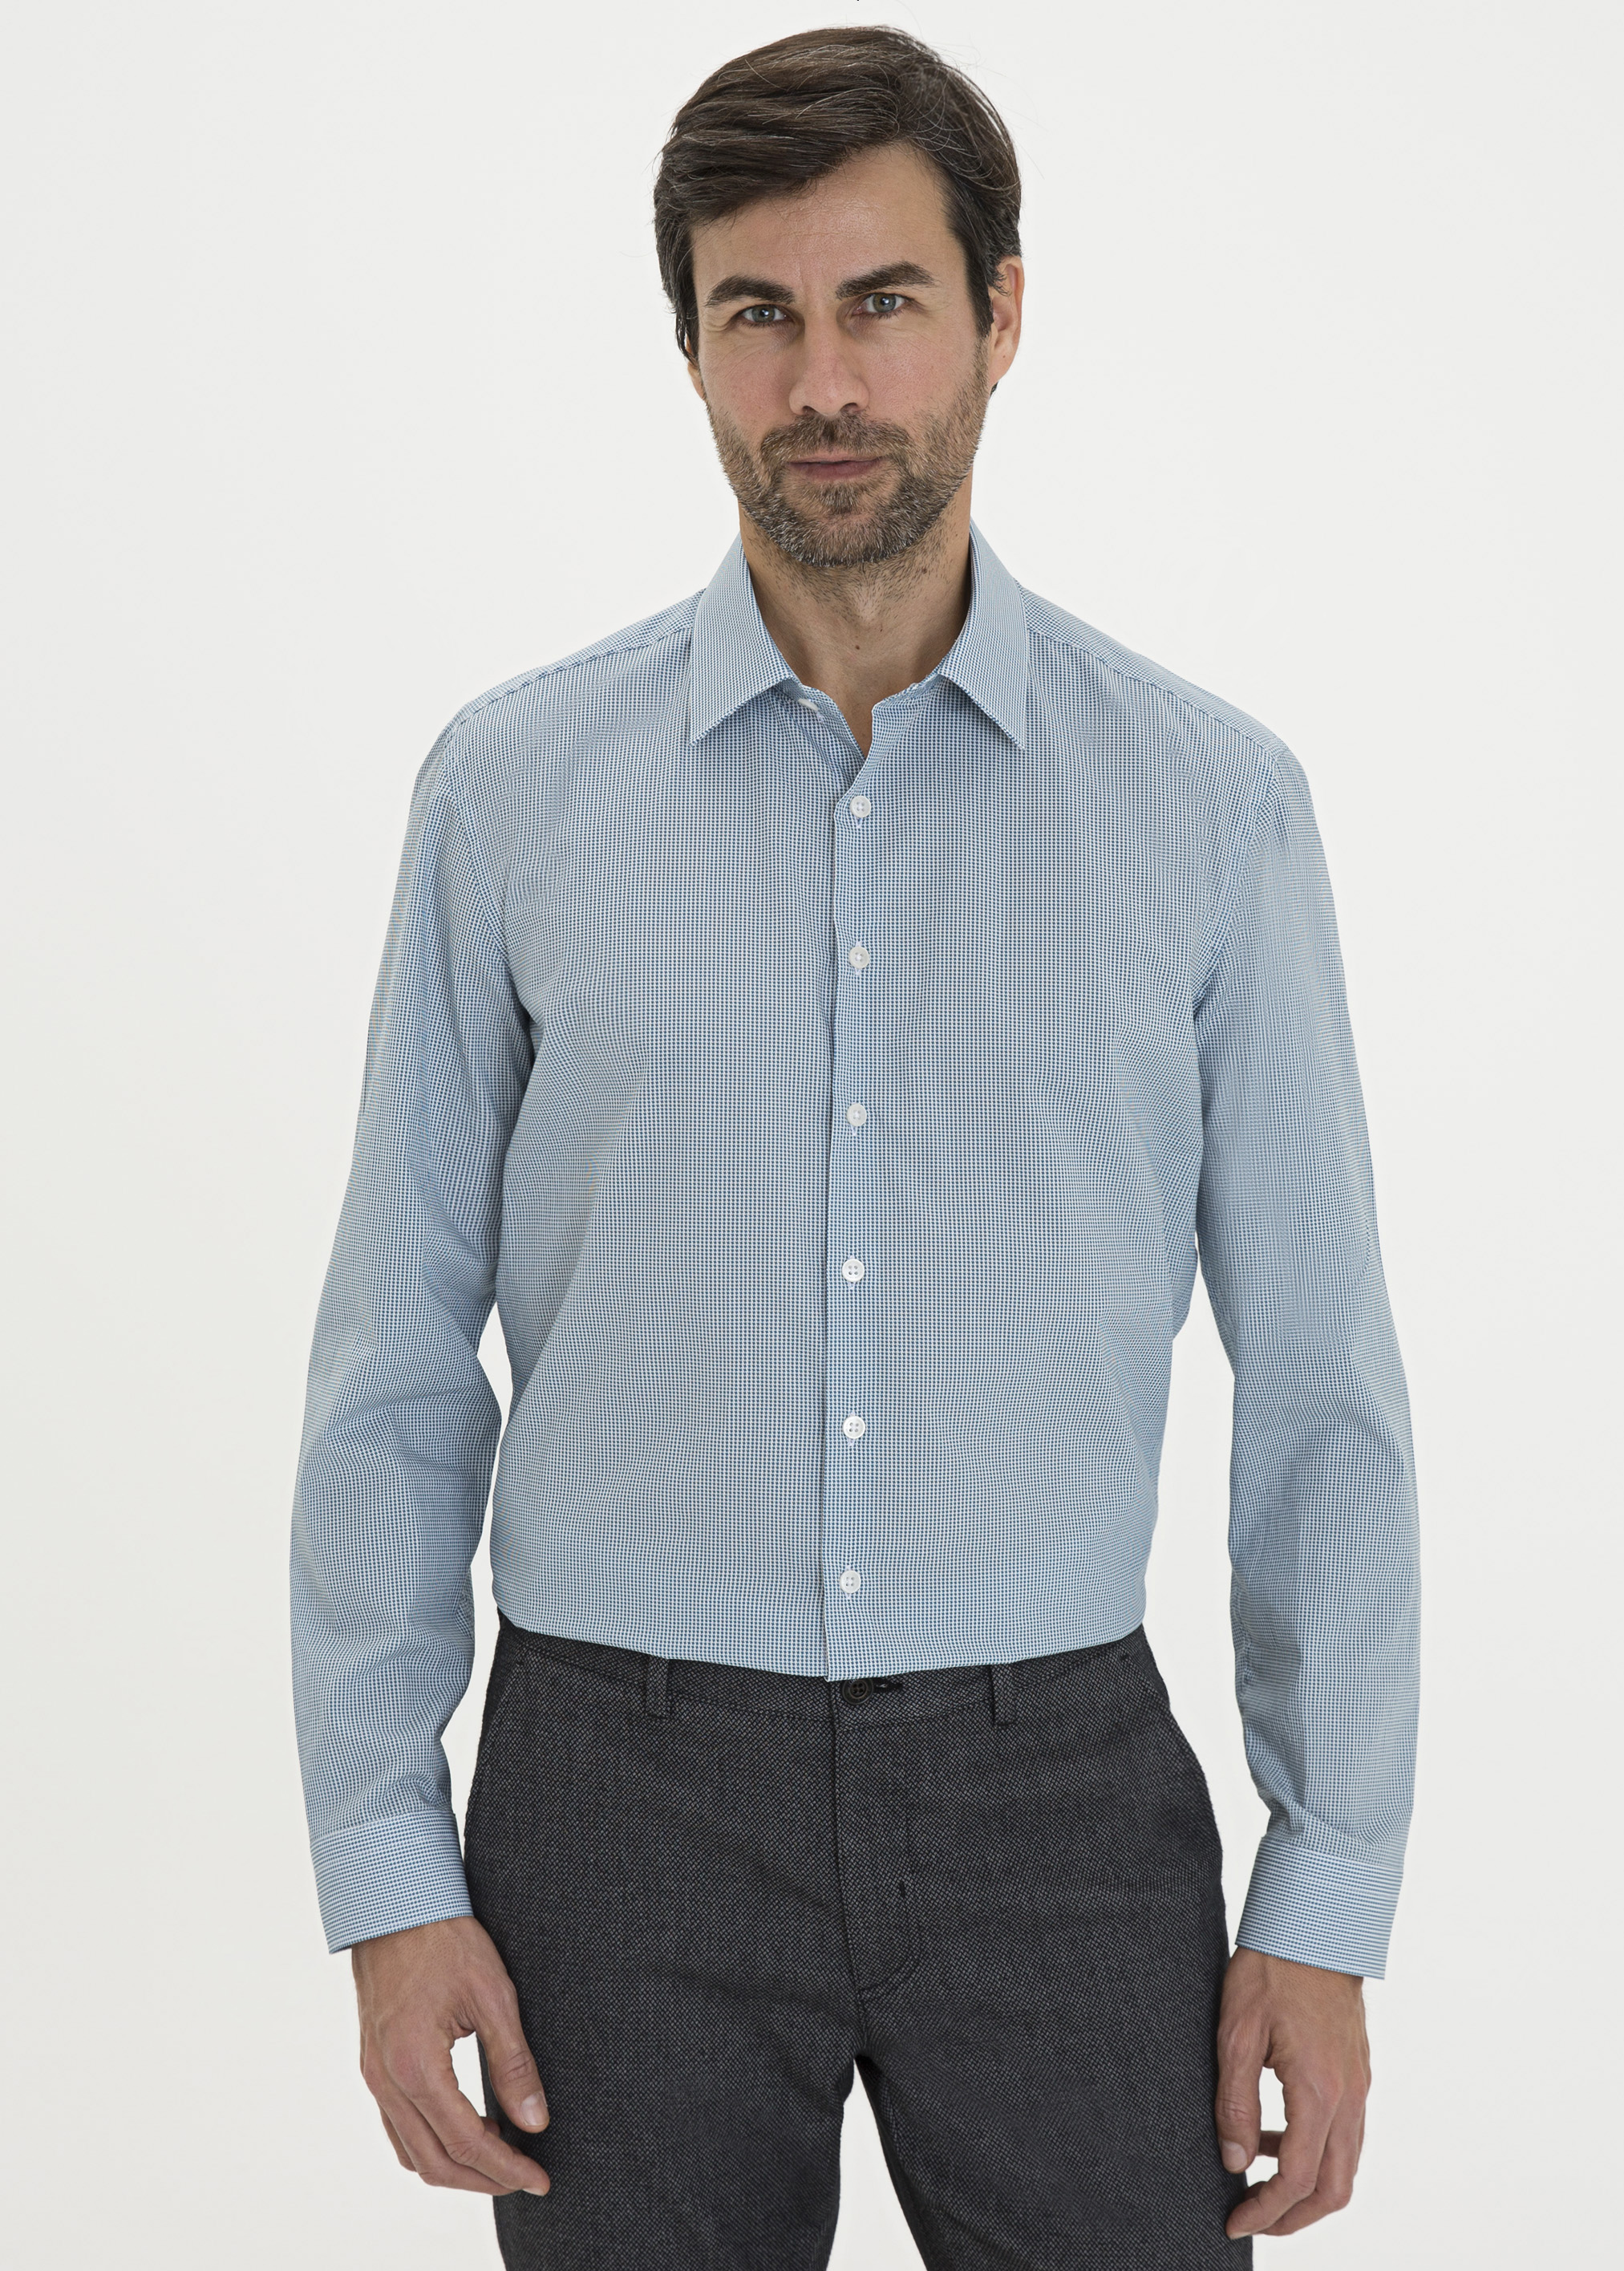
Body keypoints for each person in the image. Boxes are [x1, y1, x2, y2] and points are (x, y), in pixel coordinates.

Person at [290, 25, 1419, 2267]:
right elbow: (393, 1370)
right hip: (613, 1803)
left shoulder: (1211, 806)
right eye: (760, 313)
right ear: (691, 347)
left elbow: (1324, 1392)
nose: (823, 383)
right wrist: (386, 1873)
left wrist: (1327, 1890)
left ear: (1000, 316)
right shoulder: (511, 792)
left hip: (1057, 1798)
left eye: (883, 302)